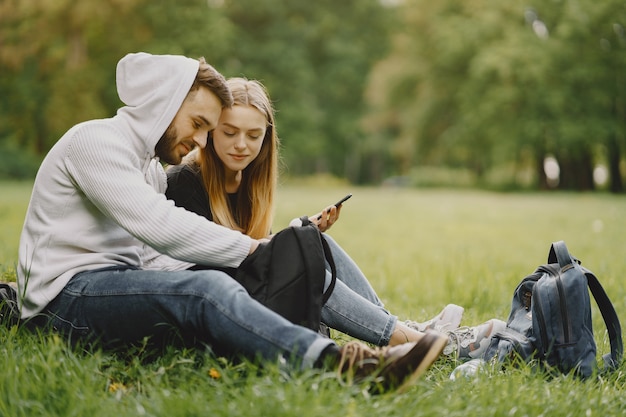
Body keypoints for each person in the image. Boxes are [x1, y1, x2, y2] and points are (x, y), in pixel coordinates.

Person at [16, 52, 449, 393]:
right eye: (199, 125)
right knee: (208, 291)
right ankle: (342, 365)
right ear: (163, 105)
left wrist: (255, 265)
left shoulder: (146, 168)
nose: (201, 142)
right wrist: (253, 251)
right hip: (62, 301)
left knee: (228, 279)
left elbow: (154, 262)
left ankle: (394, 333)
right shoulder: (95, 142)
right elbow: (159, 226)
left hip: (112, 287)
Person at [146, 77, 506, 358]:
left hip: (249, 294)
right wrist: (287, 248)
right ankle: (423, 342)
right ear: (210, 131)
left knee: (315, 243)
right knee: (304, 260)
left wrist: (296, 236)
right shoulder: (184, 182)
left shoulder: (247, 182)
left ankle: (399, 329)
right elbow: (211, 268)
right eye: (230, 133)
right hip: (219, 313)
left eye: (254, 136)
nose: (242, 144)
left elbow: (256, 258)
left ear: (266, 140)